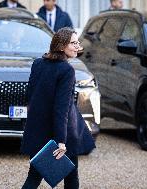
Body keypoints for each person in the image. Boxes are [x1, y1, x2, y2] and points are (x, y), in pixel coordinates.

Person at [21, 27, 96, 189]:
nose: (77, 47)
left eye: (78, 43)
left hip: (39, 129)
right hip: (62, 131)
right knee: (71, 176)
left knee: (34, 176)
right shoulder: (66, 70)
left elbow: (31, 96)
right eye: (73, 43)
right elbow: (61, 109)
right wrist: (61, 141)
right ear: (62, 46)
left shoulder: (38, 63)